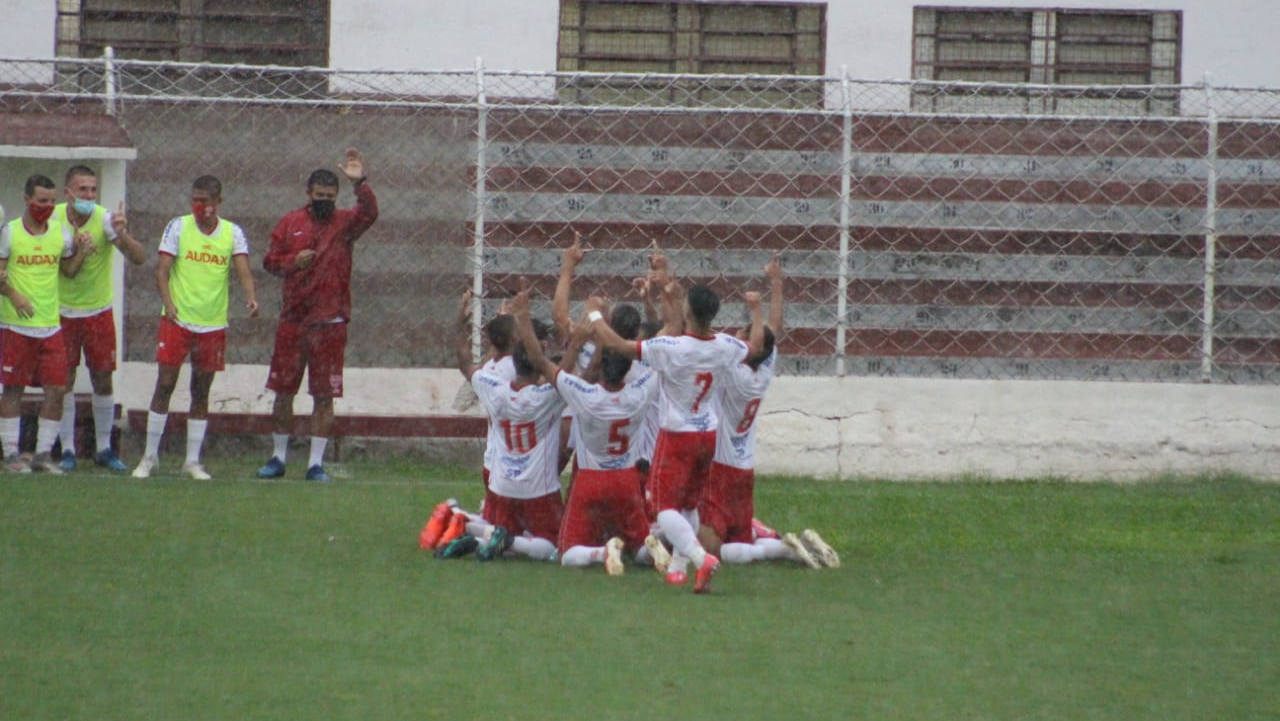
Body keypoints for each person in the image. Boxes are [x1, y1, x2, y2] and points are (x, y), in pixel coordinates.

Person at [586, 274, 764, 593]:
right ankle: (681, 568)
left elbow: (618, 345)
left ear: (690, 312)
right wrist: (757, 311)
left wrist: (595, 314)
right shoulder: (725, 345)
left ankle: (699, 558)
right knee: (689, 506)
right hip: (708, 432)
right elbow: (757, 348)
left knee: (663, 508)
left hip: (677, 435)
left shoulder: (672, 348)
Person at [696, 255, 840, 569]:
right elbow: (774, 328)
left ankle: (781, 550)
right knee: (738, 539)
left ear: (749, 344)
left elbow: (749, 336)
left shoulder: (733, 370)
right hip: (745, 469)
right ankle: (792, 546)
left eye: (744, 334)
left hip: (721, 468)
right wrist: (775, 285)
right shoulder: (763, 370)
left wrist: (748, 322)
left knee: (711, 547)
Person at [512, 286, 660, 575]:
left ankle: (601, 551)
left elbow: (541, 361)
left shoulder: (585, 394)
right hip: (626, 479)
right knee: (639, 544)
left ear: (601, 366)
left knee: (567, 551)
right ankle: (650, 546)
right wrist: (669, 300)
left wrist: (523, 317)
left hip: (591, 478)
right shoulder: (640, 391)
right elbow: (663, 353)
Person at [255, 149, 377, 482]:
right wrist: (294, 261)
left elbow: (370, 213)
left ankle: (315, 464)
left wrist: (360, 183)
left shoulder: (344, 223)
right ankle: (278, 457)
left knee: (324, 394)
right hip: (294, 320)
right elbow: (270, 262)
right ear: (308, 194)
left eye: (331, 197)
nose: (325, 201)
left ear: (337, 197)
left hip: (330, 321)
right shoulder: (290, 222)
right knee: (283, 390)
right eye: (320, 196)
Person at [132, 175, 258, 480]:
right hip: (177, 320)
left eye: (207, 200)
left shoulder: (232, 233)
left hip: (212, 324)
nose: (201, 206)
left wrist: (251, 298)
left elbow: (243, 270)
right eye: (196, 199)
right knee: (165, 384)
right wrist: (169, 302)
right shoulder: (178, 226)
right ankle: (149, 457)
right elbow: (162, 270)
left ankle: (192, 461)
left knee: (201, 390)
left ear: (219, 202)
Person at [448, 288, 564, 562]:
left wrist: (461, 324)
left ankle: (468, 527)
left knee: (504, 525)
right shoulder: (534, 385)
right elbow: (555, 370)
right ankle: (479, 530)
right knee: (550, 544)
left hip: (497, 469)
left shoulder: (491, 375)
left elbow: (467, 364)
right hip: (533, 479)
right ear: (516, 340)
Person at [55, 165, 147, 471]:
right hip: (62, 312)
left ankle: (104, 448)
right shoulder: (54, 220)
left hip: (97, 312)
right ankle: (67, 450)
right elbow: (66, 270)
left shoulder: (106, 219)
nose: (89, 196)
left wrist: (122, 234)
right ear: (68, 192)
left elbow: (139, 257)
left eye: (93, 190)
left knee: (102, 377)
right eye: (83, 190)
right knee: (63, 379)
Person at [0, 174, 93, 473]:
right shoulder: (10, 232)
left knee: (57, 388)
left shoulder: (61, 232)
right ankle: (12, 455)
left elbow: (68, 271)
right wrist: (14, 296)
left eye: (52, 201)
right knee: (13, 389)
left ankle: (42, 454)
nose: (48, 207)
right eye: (42, 201)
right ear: (27, 200)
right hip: (15, 326)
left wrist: (82, 251)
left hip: (50, 325)